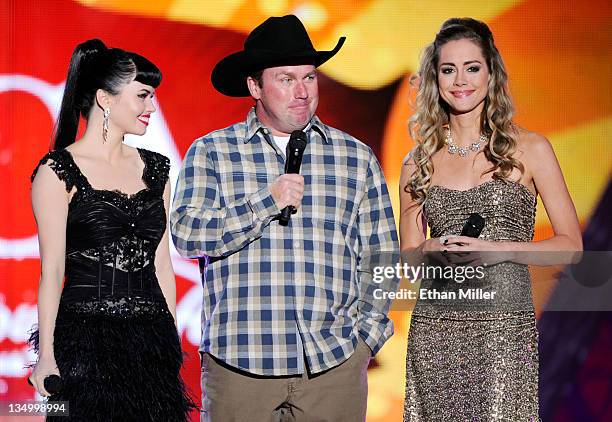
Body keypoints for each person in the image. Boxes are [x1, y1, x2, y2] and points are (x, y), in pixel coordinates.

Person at [171, 15, 399, 422]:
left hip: (332, 366)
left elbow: (381, 254)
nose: (301, 92)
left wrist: (366, 339)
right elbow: (188, 235)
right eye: (285, 78)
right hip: (240, 363)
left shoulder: (355, 157)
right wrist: (266, 202)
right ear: (254, 86)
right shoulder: (213, 152)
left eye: (309, 78)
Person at [400, 18, 582, 421]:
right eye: (448, 70)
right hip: (436, 331)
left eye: (472, 67)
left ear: (491, 73)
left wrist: (497, 250)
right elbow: (407, 264)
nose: (460, 80)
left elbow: (571, 248)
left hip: (503, 334)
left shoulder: (531, 149)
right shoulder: (417, 163)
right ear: (435, 79)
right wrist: (427, 249)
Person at [28, 39, 195, 421]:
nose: (151, 107)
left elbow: (162, 265)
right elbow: (51, 272)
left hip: (150, 345)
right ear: (105, 99)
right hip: (85, 347)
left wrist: (169, 345)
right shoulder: (57, 171)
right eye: (143, 96)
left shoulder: (157, 169)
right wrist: (48, 357)